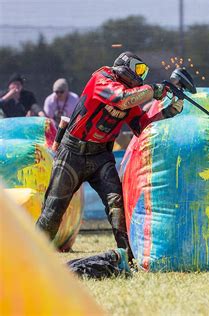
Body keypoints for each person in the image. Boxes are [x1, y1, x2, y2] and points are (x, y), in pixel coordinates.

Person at [36, 51, 184, 260]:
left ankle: (128, 258)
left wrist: (166, 113)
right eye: (139, 69)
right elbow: (122, 99)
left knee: (117, 207)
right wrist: (154, 90)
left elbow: (141, 126)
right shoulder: (102, 78)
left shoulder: (131, 93)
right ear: (125, 66)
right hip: (71, 153)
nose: (141, 75)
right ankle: (30, 258)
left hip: (101, 157)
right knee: (53, 210)